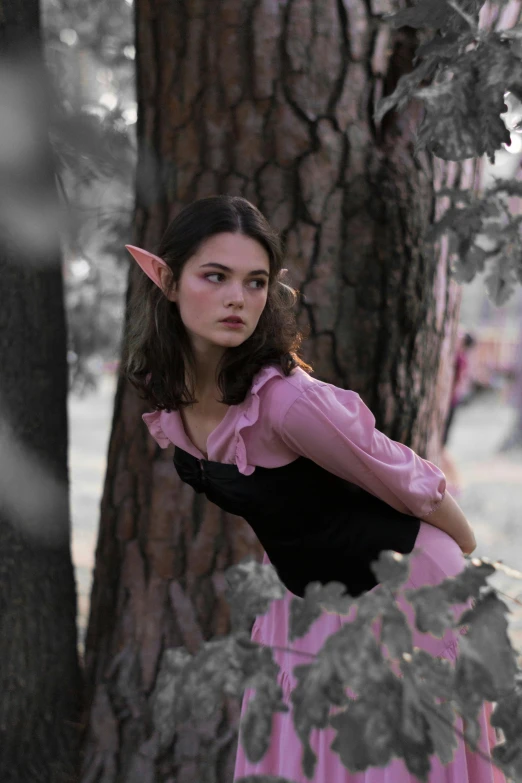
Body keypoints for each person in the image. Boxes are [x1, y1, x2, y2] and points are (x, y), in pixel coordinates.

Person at [122, 195, 504, 783]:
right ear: (169, 282)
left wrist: (464, 546)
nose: (237, 299)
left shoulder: (284, 401)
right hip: (305, 601)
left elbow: (394, 468)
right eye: (215, 276)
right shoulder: (172, 395)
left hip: (400, 590)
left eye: (255, 282)